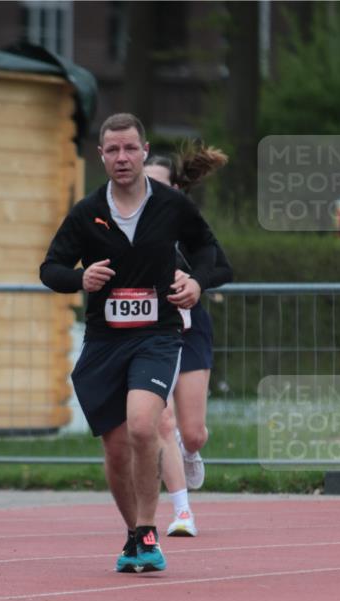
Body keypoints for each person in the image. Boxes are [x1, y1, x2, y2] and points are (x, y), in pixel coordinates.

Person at [40, 112, 222, 574]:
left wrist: (197, 283)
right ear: (101, 157)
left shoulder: (170, 206)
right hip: (104, 343)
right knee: (117, 446)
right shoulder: (86, 213)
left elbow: (210, 254)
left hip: (157, 336)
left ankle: (147, 529)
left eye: (130, 148)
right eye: (113, 150)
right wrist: (82, 278)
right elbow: (50, 268)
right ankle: (133, 535)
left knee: (144, 426)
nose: (122, 157)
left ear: (144, 151)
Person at [144, 145, 232, 537]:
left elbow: (223, 268)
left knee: (192, 431)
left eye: (158, 186)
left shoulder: (189, 226)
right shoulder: (128, 225)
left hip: (191, 326)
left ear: (177, 190)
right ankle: (181, 511)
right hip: (150, 328)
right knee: (161, 419)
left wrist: (195, 281)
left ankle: (189, 448)